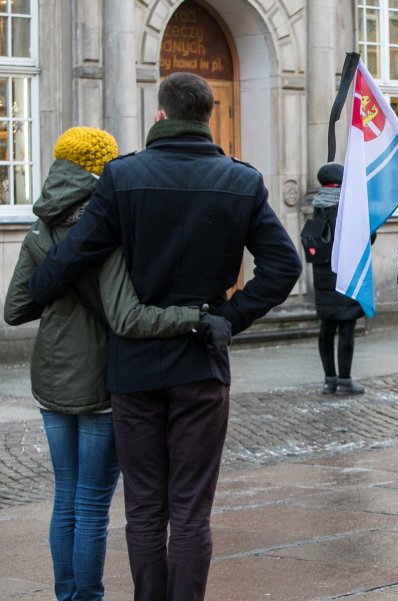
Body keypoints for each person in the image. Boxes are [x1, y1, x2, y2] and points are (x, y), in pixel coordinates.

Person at [27, 73, 302, 600]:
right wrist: (232, 317)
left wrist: (39, 287)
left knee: (145, 509)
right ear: (207, 117)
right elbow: (283, 265)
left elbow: (77, 251)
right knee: (191, 511)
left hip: (133, 367)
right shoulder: (240, 180)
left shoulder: (122, 176)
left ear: (160, 116)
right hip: (201, 362)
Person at [5, 127, 230, 601]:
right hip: (98, 378)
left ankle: (68, 595)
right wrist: (195, 317)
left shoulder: (41, 224)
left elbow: (15, 308)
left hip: (50, 377)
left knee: (65, 496)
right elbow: (126, 316)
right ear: (100, 168)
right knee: (90, 503)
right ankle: (85, 597)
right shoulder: (103, 226)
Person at [311, 162, 366, 395]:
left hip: (323, 277)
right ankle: (345, 381)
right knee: (346, 328)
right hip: (346, 274)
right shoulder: (348, 207)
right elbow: (365, 238)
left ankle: (328, 380)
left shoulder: (318, 206)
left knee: (326, 327)